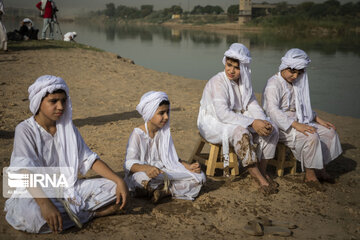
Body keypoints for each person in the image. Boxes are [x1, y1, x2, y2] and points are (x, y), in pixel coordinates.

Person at [4, 75, 128, 233]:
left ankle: (73, 214)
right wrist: (44, 204)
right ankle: (95, 213)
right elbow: (24, 171)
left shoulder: (68, 128)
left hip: (67, 187)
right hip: (33, 191)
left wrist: (119, 180)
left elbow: (89, 159)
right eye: (53, 101)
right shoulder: (25, 130)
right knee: (32, 215)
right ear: (38, 102)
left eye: (63, 100)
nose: (60, 106)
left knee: (114, 188)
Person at [197, 43, 279, 195]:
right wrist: (253, 123)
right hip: (213, 121)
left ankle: (261, 169)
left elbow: (252, 105)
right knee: (241, 132)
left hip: (237, 117)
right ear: (225, 62)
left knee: (271, 128)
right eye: (229, 65)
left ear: (244, 69)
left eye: (236, 67)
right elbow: (222, 114)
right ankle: (256, 175)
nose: (231, 70)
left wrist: (261, 121)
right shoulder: (218, 82)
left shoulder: (244, 83)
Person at [262, 48, 342, 187]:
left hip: (300, 120)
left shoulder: (297, 83)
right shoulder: (273, 84)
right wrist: (296, 125)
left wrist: (317, 118)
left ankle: (320, 169)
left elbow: (302, 106)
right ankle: (310, 175)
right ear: (284, 67)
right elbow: (272, 111)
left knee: (329, 132)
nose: (295, 76)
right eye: (292, 71)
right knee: (311, 136)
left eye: (299, 73)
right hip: (279, 125)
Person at [124, 91, 206, 203]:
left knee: (200, 176)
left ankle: (164, 191)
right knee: (139, 178)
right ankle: (157, 189)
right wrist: (147, 169)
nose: (166, 117)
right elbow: (129, 164)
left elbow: (172, 159)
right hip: (146, 174)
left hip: (164, 172)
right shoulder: (137, 134)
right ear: (149, 113)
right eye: (161, 113)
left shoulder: (164, 133)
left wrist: (188, 167)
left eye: (167, 112)